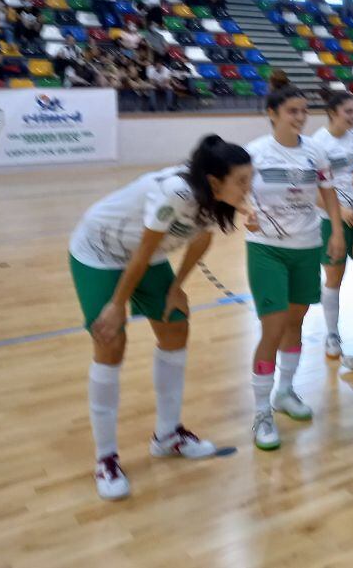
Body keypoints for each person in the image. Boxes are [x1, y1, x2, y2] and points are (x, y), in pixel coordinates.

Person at [69, 135, 253, 499]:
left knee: (175, 327)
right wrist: (116, 304)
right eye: (243, 181)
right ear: (215, 181)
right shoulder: (176, 193)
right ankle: (105, 458)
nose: (249, 187)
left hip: (144, 256)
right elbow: (143, 251)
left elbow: (201, 238)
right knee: (111, 342)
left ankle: (167, 435)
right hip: (100, 250)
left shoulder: (215, 196)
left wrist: (176, 287)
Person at [243, 76, 345, 451]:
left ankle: (285, 392)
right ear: (272, 114)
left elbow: (328, 193)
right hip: (266, 248)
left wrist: (336, 231)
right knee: (272, 327)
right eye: (292, 111)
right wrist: (246, 211)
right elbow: (237, 191)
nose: (300, 117)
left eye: (304, 111)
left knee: (296, 321)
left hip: (306, 246)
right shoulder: (255, 152)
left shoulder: (315, 152)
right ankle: (260, 413)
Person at [310, 91, 353, 360]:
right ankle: (332, 334)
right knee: (334, 278)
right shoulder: (317, 144)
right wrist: (339, 211)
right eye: (348, 111)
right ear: (332, 112)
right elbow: (312, 190)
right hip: (333, 222)